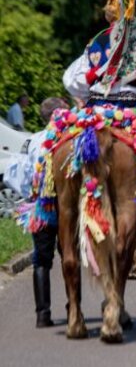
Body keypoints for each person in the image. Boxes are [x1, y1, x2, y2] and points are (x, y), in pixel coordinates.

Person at [5, 97, 68, 327]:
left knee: (41, 260)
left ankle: (43, 314)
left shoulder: (33, 141)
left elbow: (23, 177)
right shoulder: (70, 138)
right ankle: (73, 307)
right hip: (67, 209)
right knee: (70, 257)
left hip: (41, 207)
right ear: (59, 114)